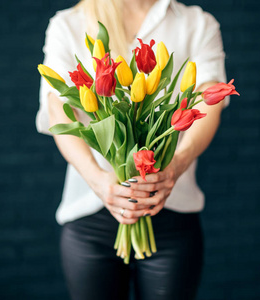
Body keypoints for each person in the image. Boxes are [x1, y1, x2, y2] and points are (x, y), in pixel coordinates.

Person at [36, 0, 229, 299]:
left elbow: (206, 103)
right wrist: (98, 180)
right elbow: (58, 109)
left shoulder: (197, 22)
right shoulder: (69, 23)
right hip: (90, 214)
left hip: (173, 212)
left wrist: (175, 165)